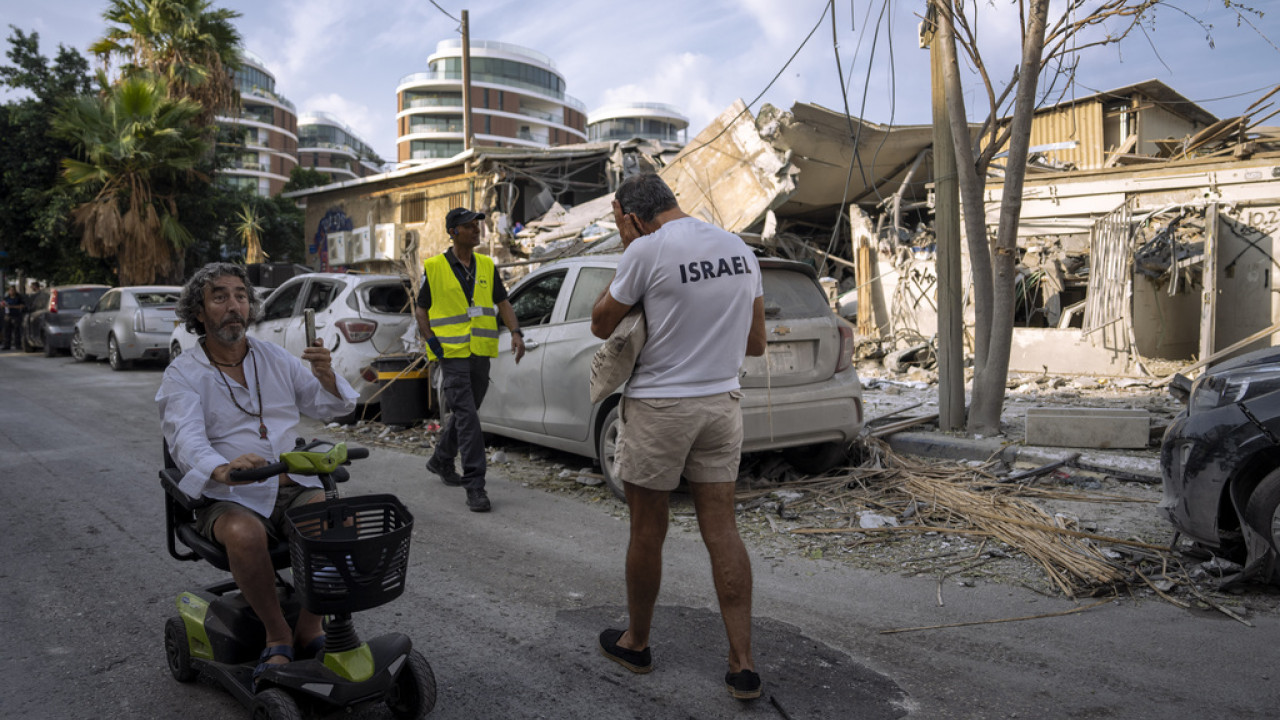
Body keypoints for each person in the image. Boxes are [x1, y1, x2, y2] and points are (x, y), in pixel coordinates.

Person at [590, 173, 767, 700]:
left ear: (628, 215)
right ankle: (742, 665)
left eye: (619, 221)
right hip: (722, 405)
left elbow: (602, 323)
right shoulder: (738, 248)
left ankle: (637, 643)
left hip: (661, 407)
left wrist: (631, 251)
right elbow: (755, 343)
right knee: (723, 531)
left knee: (647, 530)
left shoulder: (646, 248)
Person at [156, 262, 358, 680]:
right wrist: (223, 468)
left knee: (337, 517)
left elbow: (333, 408)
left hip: (293, 486)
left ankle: (308, 628)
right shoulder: (184, 374)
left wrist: (326, 376)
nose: (234, 306)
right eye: (220, 296)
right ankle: (277, 634)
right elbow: (185, 440)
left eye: (241, 296)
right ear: (199, 311)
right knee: (244, 533)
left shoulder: (274, 357)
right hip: (229, 497)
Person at [414, 207, 526, 513]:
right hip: (450, 354)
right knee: (467, 416)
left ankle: (441, 459)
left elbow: (502, 303)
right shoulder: (436, 267)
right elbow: (422, 309)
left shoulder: (486, 265)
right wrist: (431, 340)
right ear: (453, 232)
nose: (477, 231)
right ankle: (475, 484)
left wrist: (516, 332)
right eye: (470, 227)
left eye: (478, 226)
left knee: (468, 412)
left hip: (480, 351)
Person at [2, 286, 26, 350]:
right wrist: (2, 306)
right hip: (8, 316)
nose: (11, 291)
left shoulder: (19, 298)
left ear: (15, 291)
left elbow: (22, 306)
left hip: (16, 316)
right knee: (7, 331)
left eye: (13, 290)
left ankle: (18, 345)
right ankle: (7, 345)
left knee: (17, 331)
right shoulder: (6, 298)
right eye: (10, 290)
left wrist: (11, 306)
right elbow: (3, 306)